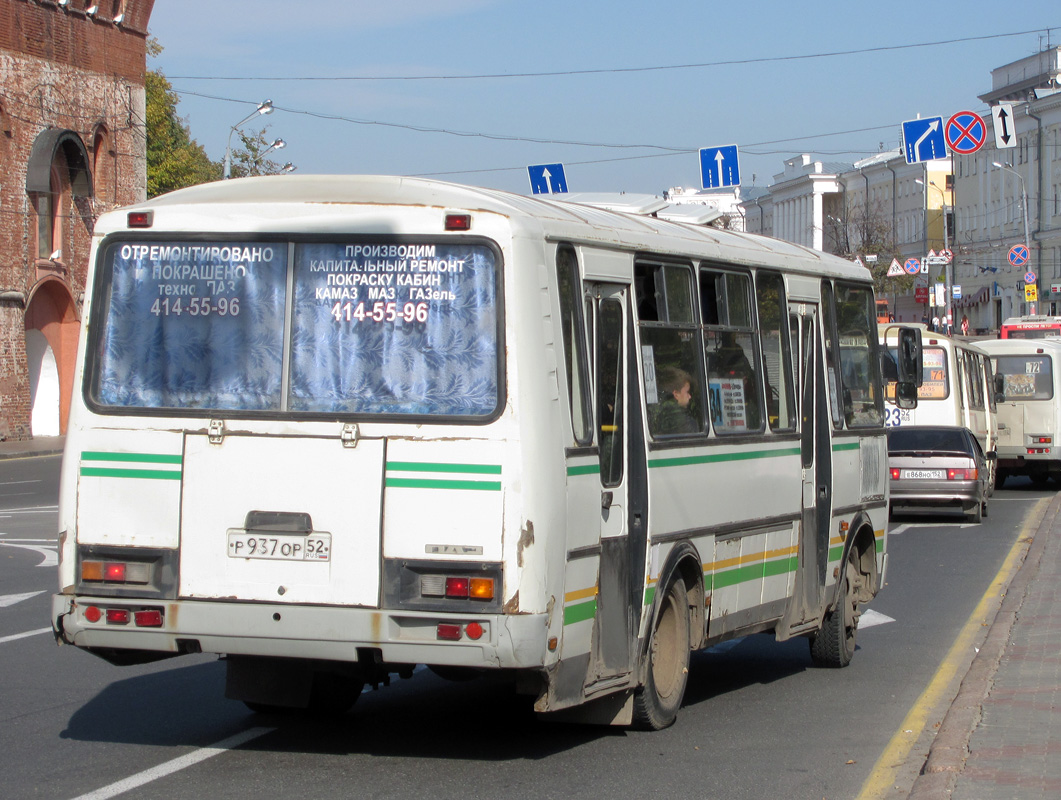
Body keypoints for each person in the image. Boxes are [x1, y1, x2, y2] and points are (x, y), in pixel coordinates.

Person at [651, 365, 699, 435]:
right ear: (676, 394)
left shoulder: (658, 408)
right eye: (687, 392)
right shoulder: (675, 414)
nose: (690, 396)